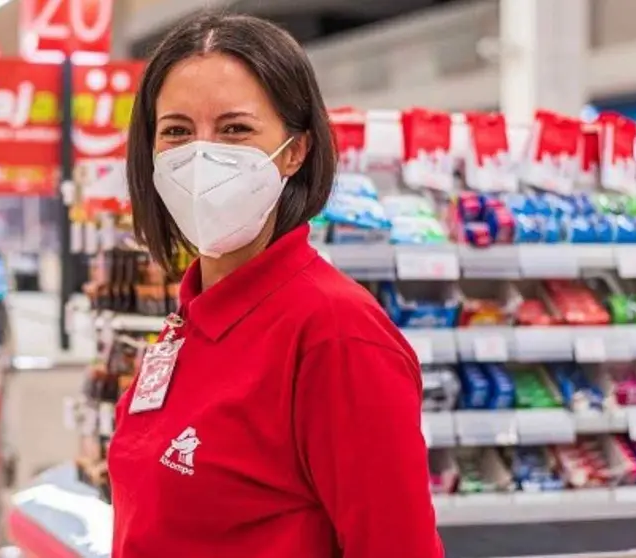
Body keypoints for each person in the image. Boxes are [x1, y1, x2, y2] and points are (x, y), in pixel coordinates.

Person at [108, 11, 443, 558]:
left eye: (235, 129)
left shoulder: (335, 333)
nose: (200, 156)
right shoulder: (190, 318)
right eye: (177, 132)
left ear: (294, 151)